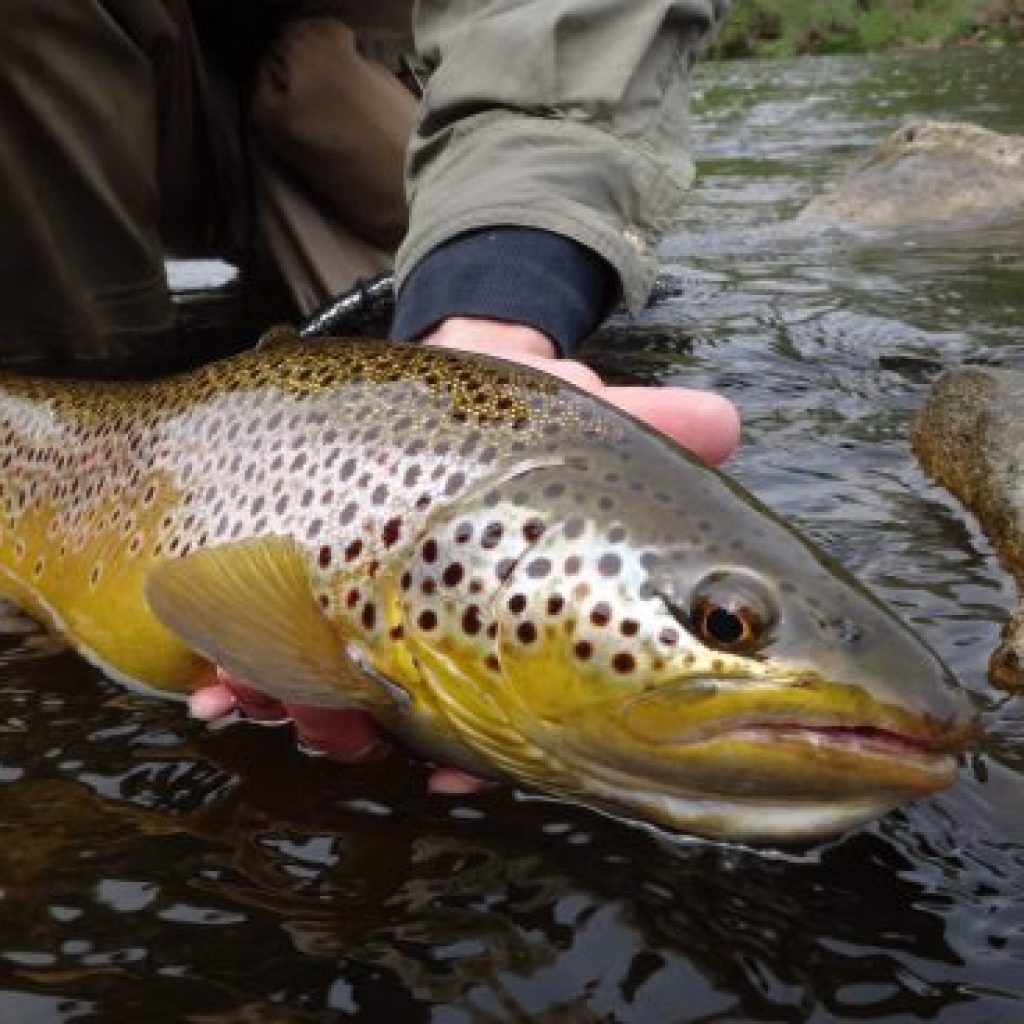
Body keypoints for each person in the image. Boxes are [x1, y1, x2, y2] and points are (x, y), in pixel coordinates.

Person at [1, 0, 738, 784]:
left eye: (731, 625)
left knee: (551, 324)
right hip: (97, 90)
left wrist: (499, 300)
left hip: (400, 101)